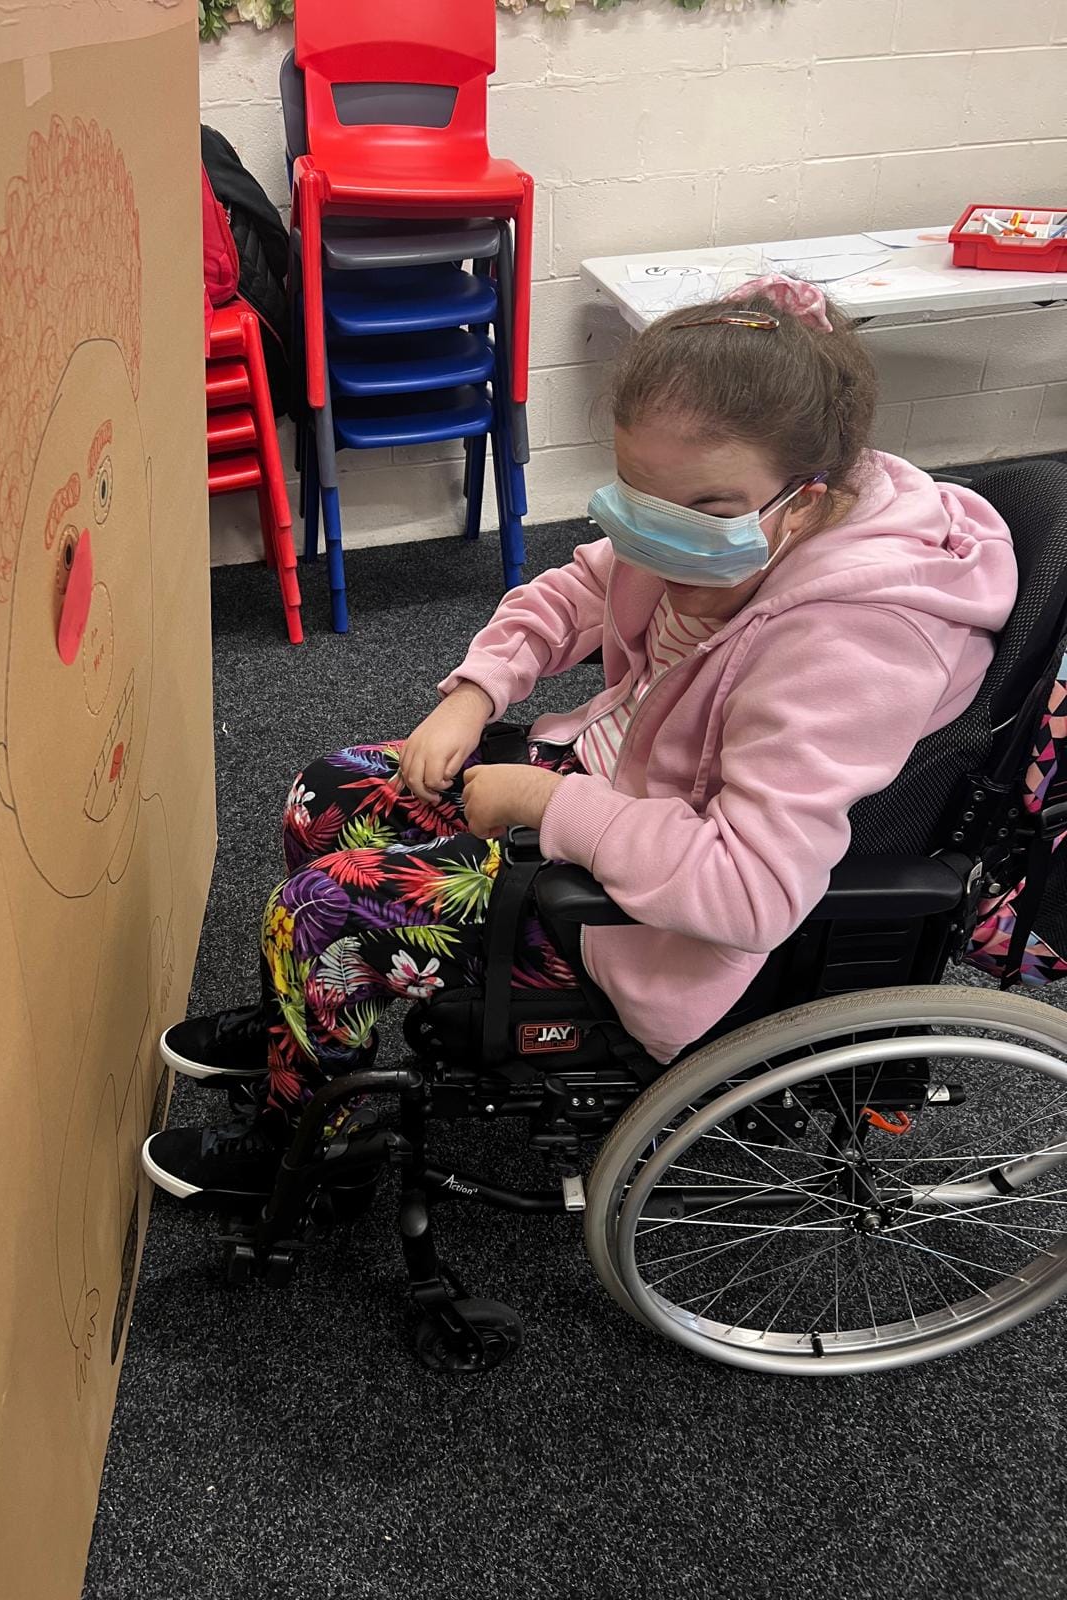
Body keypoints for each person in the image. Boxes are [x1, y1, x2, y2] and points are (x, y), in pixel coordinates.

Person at [142, 274, 1017, 1206]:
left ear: (806, 502)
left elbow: (750, 891)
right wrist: (475, 691)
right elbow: (581, 588)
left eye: (703, 510)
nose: (658, 538)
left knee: (321, 911)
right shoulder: (743, 519)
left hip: (644, 915)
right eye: (641, 500)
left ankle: (310, 1150)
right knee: (325, 797)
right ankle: (306, 1026)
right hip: (605, 788)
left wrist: (547, 803)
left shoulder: (850, 642)